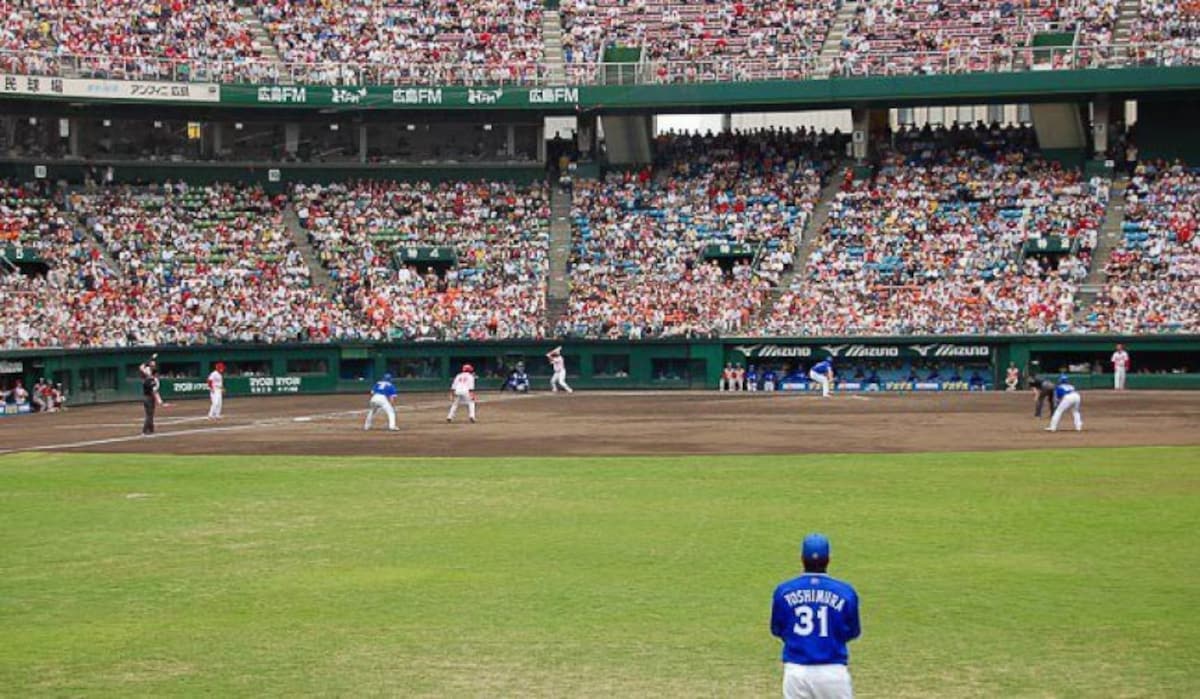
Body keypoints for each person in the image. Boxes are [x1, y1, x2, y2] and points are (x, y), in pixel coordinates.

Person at [771, 533, 861, 699]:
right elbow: (853, 631)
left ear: (801, 558)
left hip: (796, 671)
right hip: (833, 672)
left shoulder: (784, 591)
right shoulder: (845, 592)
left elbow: (778, 629)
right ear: (829, 559)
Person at [140, 357, 164, 436]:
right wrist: (159, 401)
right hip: (149, 398)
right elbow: (154, 391)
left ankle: (151, 429)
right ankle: (144, 430)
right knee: (149, 415)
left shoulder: (149, 379)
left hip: (148, 397)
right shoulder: (151, 380)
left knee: (150, 414)